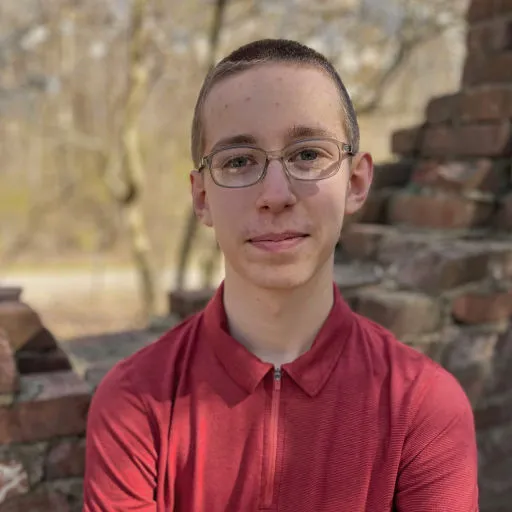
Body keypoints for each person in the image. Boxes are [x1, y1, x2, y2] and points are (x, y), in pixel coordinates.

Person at [83, 39, 479, 511]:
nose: (275, 194)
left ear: (355, 183)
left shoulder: (424, 405)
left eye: (308, 154)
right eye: (238, 161)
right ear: (202, 197)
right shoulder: (135, 403)